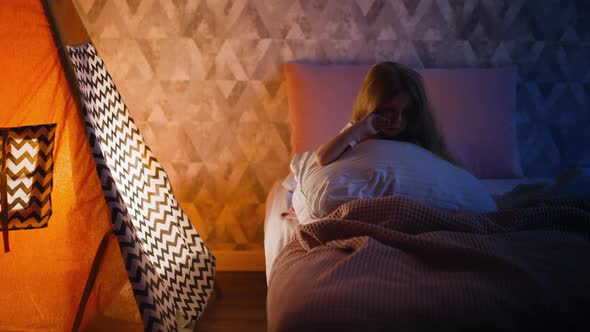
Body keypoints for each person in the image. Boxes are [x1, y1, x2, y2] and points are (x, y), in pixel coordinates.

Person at [315, 61, 456, 166]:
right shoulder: (360, 132)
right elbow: (323, 158)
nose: (398, 120)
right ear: (372, 106)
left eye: (406, 112)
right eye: (389, 110)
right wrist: (360, 127)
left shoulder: (417, 133)